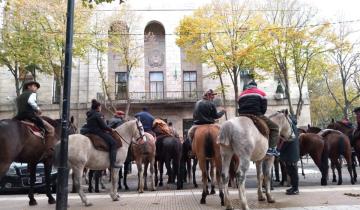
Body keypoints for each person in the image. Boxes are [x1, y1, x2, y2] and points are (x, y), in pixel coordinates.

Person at [237, 80, 280, 156]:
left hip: (242, 115)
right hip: (256, 114)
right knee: (275, 128)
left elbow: (239, 106)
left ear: (248, 87)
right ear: (256, 86)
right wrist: (261, 114)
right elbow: (264, 107)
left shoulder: (241, 94)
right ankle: (271, 149)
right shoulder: (261, 93)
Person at [82, 99, 120, 168]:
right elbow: (104, 126)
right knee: (113, 143)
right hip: (97, 131)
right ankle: (112, 163)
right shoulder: (98, 114)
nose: (101, 108)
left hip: (90, 131)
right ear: (98, 107)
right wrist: (111, 129)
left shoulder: (89, 114)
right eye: (100, 107)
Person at [279, 115, 300, 195]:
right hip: (291, 152)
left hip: (291, 152)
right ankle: (294, 187)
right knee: (290, 171)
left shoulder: (291, 127)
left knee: (293, 171)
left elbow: (289, 140)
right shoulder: (292, 126)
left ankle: (296, 189)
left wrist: (280, 149)